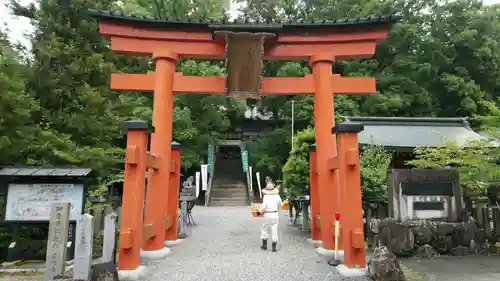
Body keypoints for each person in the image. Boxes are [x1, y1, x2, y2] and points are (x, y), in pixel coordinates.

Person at [257, 181, 283, 252]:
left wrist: (259, 212)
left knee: (264, 229)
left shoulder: (266, 197)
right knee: (274, 230)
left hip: (267, 214)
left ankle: (264, 245)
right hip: (275, 214)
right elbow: (281, 204)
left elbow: (264, 206)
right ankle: (274, 247)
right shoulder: (277, 196)